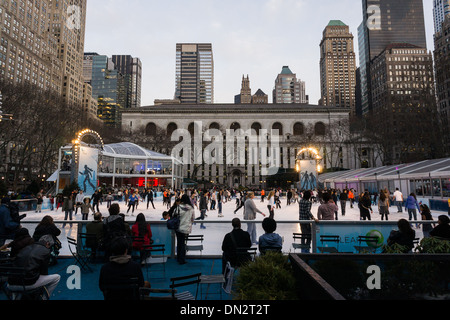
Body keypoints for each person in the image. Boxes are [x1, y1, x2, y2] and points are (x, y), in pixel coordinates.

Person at [7, 235, 61, 299]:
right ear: (47, 243)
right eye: (49, 246)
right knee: (57, 278)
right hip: (27, 284)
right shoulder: (46, 251)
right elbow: (44, 272)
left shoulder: (26, 247)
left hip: (11, 284)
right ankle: (44, 298)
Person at [99, 236, 150, 301]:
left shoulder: (105, 268)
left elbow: (102, 287)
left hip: (112, 297)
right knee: (147, 284)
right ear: (126, 250)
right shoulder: (135, 266)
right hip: (132, 297)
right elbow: (141, 284)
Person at [175, 194, 195, 265]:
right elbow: (193, 219)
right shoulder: (191, 208)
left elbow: (175, 215)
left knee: (179, 242)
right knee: (183, 243)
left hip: (178, 227)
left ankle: (178, 258)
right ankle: (182, 259)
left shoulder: (178, 207)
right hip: (186, 228)